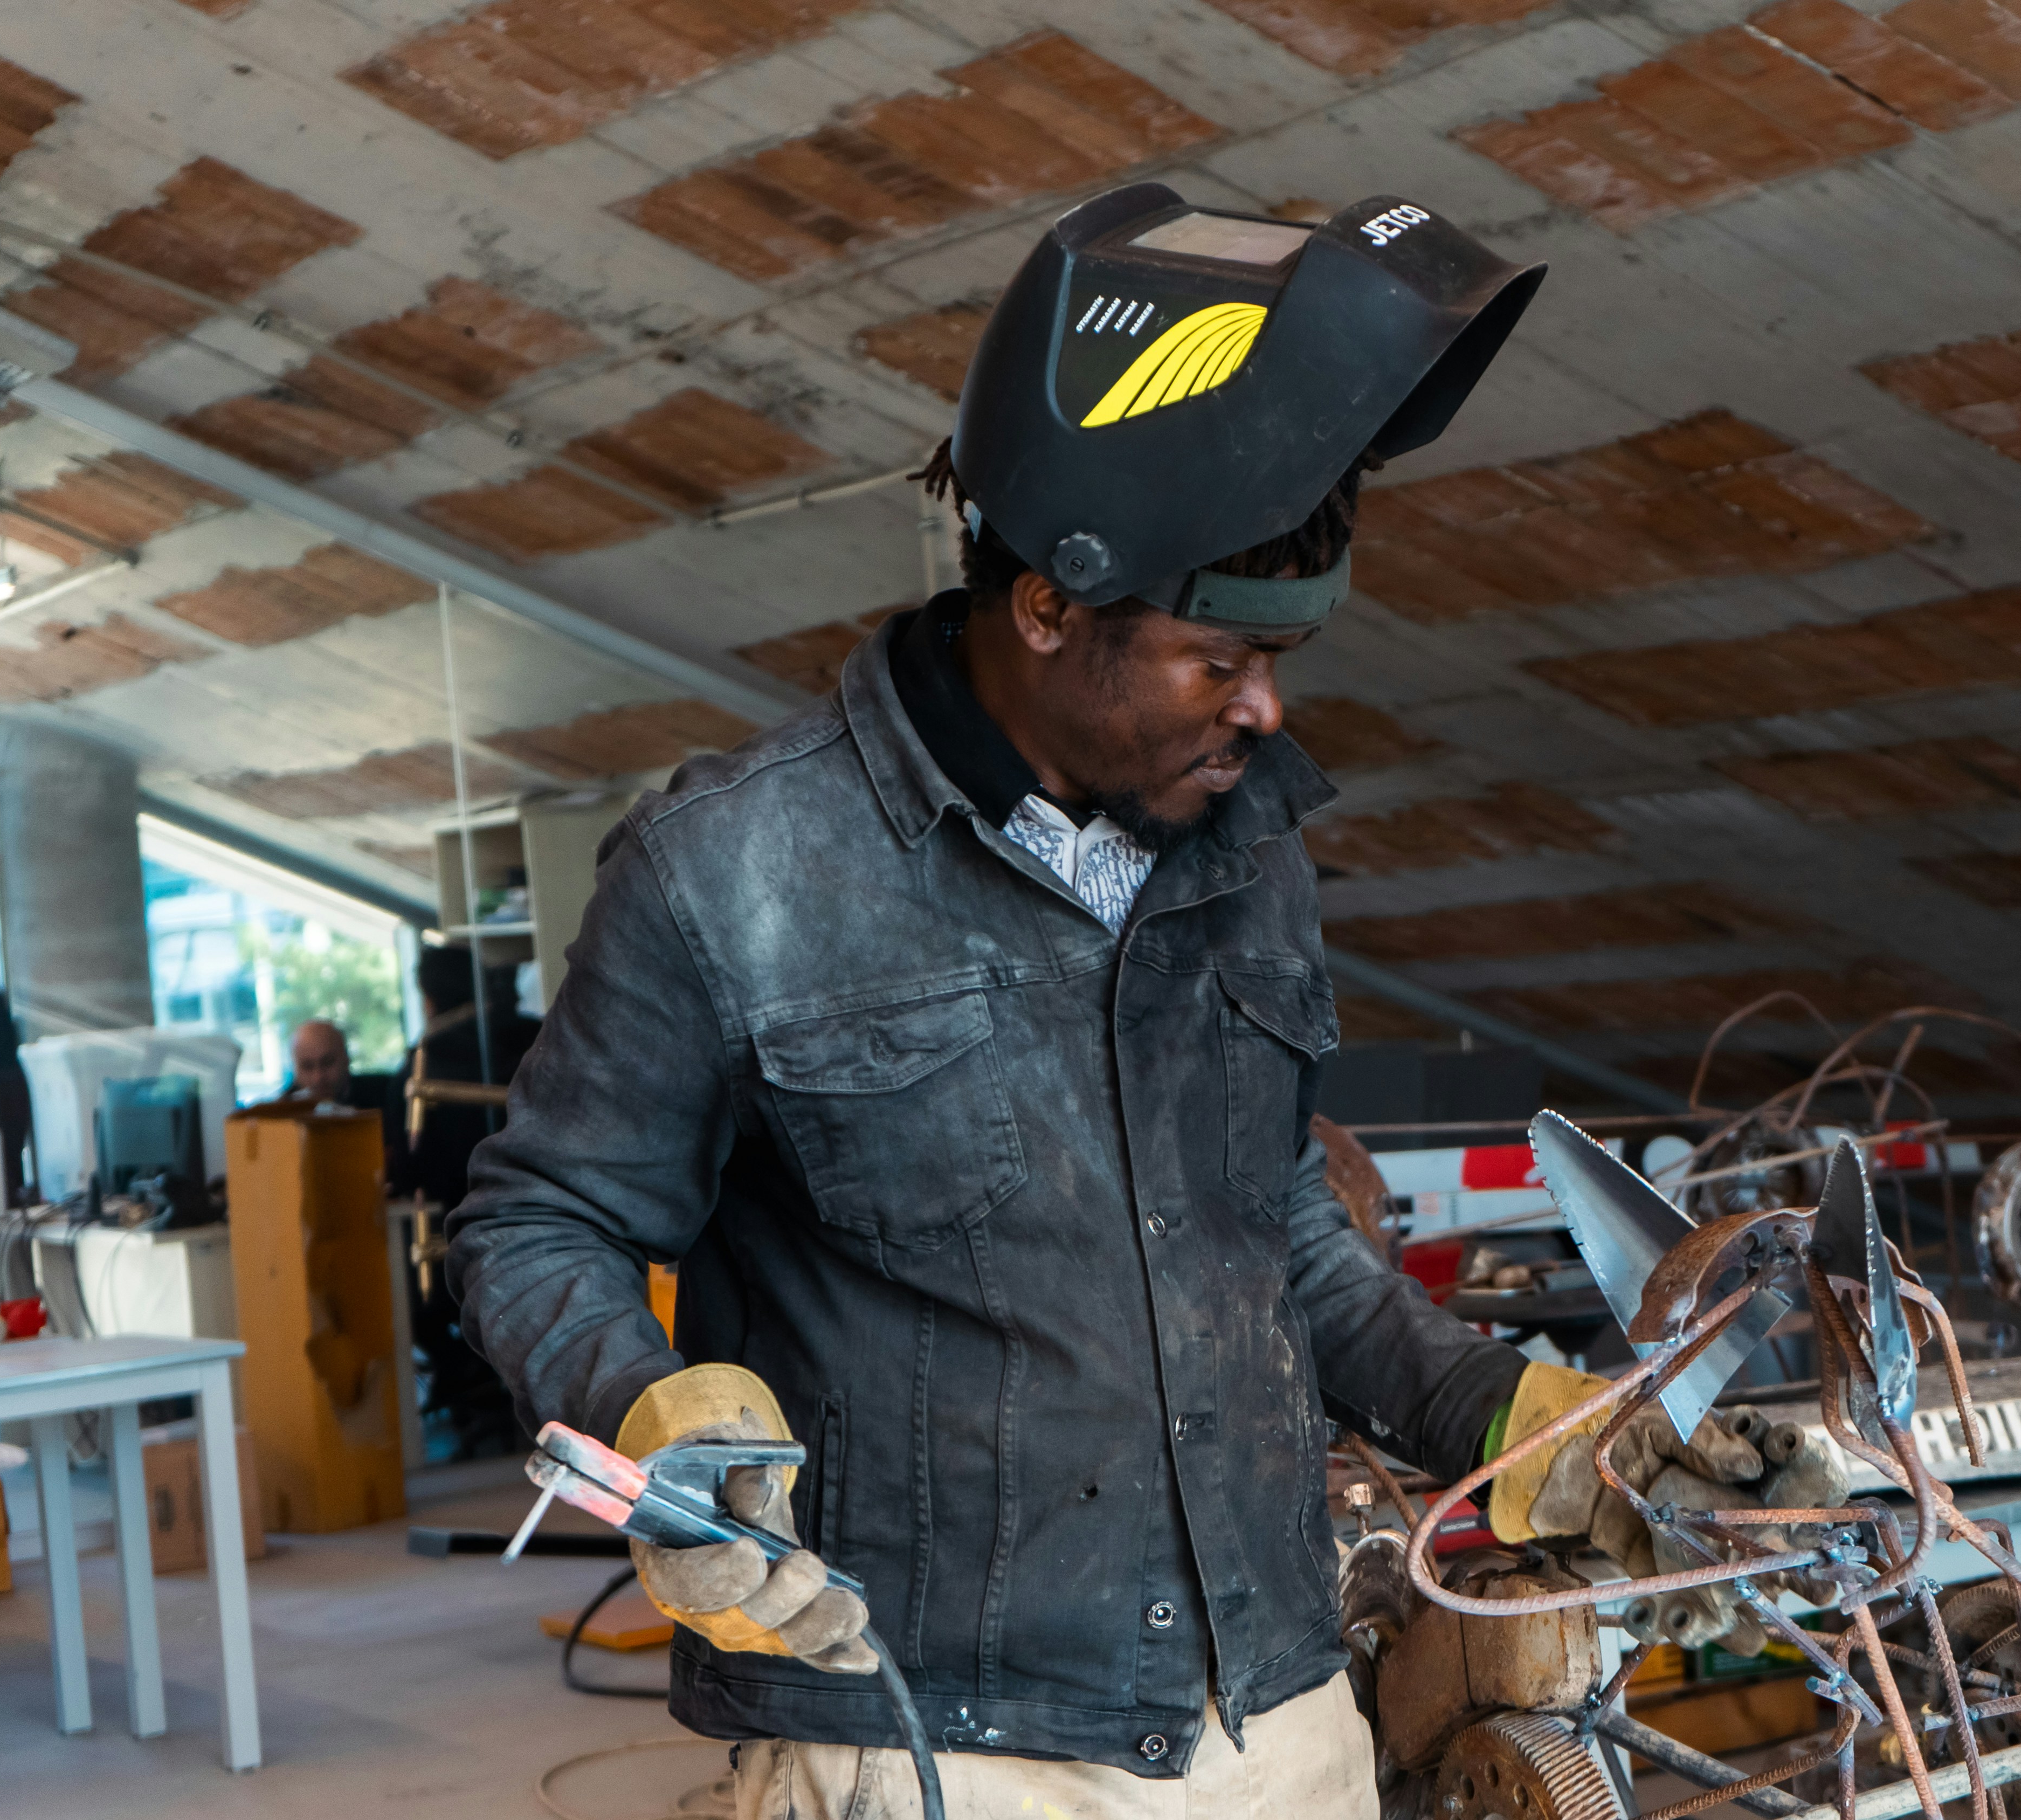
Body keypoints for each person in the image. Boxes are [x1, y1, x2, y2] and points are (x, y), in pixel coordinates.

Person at [446, 185, 1759, 1819]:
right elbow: (533, 1224)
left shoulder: (1241, 843)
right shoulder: (735, 871)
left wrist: (1510, 1419)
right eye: (1215, 658)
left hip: (1278, 1724)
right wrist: (658, 1418)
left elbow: (1270, 1238)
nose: (1266, 707)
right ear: (1049, 609)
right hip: (936, 1742)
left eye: (1280, 658)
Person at [402, 946, 539, 1459]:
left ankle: (472, 1398)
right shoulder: (535, 1033)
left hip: (465, 1232)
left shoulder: (424, 1060)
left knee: (418, 1303)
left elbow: (414, 1168)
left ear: (429, 998)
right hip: (549, 1214)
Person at [285, 1018, 352, 1107]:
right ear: (295, 1070)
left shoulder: (375, 1100)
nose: (318, 1078)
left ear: (346, 1059)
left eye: (328, 1063)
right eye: (307, 1067)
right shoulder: (280, 1112)